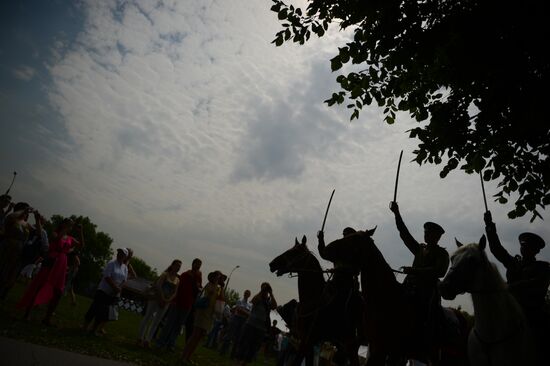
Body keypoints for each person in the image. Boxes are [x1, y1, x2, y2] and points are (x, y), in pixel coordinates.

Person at [484, 211, 550, 362]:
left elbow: (537, 285)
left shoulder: (543, 267)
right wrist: (489, 226)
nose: (524, 249)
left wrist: (511, 287)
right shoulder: (514, 263)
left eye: (528, 247)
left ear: (536, 250)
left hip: (532, 314)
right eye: (523, 247)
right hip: (509, 309)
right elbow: (497, 249)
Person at [389, 201, 449, 358]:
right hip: (409, 285)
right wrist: (397, 214)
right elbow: (405, 234)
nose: (426, 235)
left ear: (437, 236)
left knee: (423, 312)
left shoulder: (442, 254)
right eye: (425, 232)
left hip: (427, 290)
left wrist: (414, 270)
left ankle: (424, 343)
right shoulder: (419, 249)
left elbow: (439, 272)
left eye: (429, 233)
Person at [18, 217, 84, 325]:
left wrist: (80, 232)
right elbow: (57, 239)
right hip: (52, 261)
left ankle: (47, 318)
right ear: (63, 224)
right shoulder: (55, 233)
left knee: (58, 292)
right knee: (40, 286)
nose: (70, 227)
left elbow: (81, 245)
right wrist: (65, 228)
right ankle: (27, 313)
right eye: (68, 224)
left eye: (71, 225)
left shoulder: (70, 238)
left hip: (62, 264)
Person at [157, 258, 202, 351]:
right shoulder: (185, 275)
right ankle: (161, 342)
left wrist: (198, 287)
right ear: (193, 264)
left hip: (187, 305)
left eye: (199, 265)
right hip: (177, 302)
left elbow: (198, 291)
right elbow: (177, 289)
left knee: (178, 326)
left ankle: (171, 343)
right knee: (169, 323)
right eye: (196, 264)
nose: (197, 267)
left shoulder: (198, 277)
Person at [83, 248, 128, 335]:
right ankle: (84, 327)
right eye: (119, 252)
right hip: (103, 291)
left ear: (125, 256)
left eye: (122, 253)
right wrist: (115, 287)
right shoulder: (111, 264)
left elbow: (124, 280)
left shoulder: (125, 268)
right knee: (94, 309)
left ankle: (93, 329)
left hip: (113, 294)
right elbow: (107, 277)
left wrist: (118, 289)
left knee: (103, 313)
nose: (119, 254)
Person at [137, 259, 181, 348]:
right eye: (176, 266)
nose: (178, 268)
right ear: (172, 265)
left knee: (156, 322)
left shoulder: (177, 280)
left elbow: (175, 292)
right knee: (147, 317)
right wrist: (162, 298)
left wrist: (167, 301)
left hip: (166, 302)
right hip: (156, 298)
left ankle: (147, 340)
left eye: (179, 267)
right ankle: (140, 338)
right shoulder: (165, 275)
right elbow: (158, 286)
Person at [180, 270, 221, 365]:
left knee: (199, 337)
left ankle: (189, 356)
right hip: (202, 312)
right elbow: (204, 297)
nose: (219, 279)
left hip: (209, 314)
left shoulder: (218, 288)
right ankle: (183, 356)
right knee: (195, 335)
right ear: (213, 277)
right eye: (218, 277)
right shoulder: (209, 285)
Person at [234, 282, 277, 366]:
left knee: (254, 347)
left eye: (266, 289)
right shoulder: (258, 297)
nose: (265, 290)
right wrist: (262, 291)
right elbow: (253, 301)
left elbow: (274, 306)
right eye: (264, 288)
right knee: (244, 343)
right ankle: (237, 362)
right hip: (251, 324)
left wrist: (271, 293)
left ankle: (244, 363)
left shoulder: (269, 301)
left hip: (261, 328)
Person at [0, 203, 33, 300]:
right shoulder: (13, 218)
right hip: (7, 247)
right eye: (25, 211)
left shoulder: (26, 223)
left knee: (8, 274)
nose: (27, 213)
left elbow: (38, 232)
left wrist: (39, 219)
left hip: (17, 251)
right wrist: (24, 210)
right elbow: (10, 216)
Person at [219, 289, 252, 357]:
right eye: (246, 293)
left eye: (248, 293)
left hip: (243, 320)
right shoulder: (239, 301)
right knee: (230, 335)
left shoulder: (249, 304)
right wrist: (246, 312)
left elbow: (248, 313)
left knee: (238, 337)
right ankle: (223, 351)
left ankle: (233, 354)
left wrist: (244, 311)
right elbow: (239, 310)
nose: (246, 294)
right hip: (237, 318)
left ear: (249, 295)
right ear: (244, 293)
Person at [205, 273, 227, 349]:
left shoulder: (219, 288)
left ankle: (210, 344)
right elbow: (211, 293)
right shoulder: (210, 285)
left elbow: (222, 298)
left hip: (213, 311)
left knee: (212, 329)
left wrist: (222, 287)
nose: (222, 281)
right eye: (220, 278)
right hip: (206, 309)